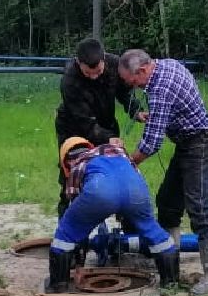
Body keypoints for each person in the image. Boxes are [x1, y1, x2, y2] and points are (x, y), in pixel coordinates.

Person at [118, 49, 208, 296]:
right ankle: (169, 262)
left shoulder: (160, 89)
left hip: (200, 144)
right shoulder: (167, 65)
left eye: (133, 81)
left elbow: (153, 142)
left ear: (143, 70)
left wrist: (129, 162)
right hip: (187, 144)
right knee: (167, 202)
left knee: (198, 208)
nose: (134, 87)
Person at [47, 137, 179, 293]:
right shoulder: (115, 152)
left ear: (65, 161)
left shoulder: (77, 163)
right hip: (136, 189)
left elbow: (76, 204)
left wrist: (79, 257)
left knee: (67, 232)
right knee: (153, 232)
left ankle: (59, 285)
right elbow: (133, 171)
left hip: (101, 191)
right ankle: (170, 284)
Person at [53, 38, 143, 216]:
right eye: (88, 73)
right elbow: (84, 122)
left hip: (106, 121)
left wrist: (135, 111)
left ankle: (126, 222)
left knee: (117, 167)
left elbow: (125, 91)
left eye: (98, 71)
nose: (94, 76)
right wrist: (108, 138)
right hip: (74, 129)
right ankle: (67, 222)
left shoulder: (116, 64)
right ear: (78, 63)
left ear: (104, 59)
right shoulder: (69, 81)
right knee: (72, 172)